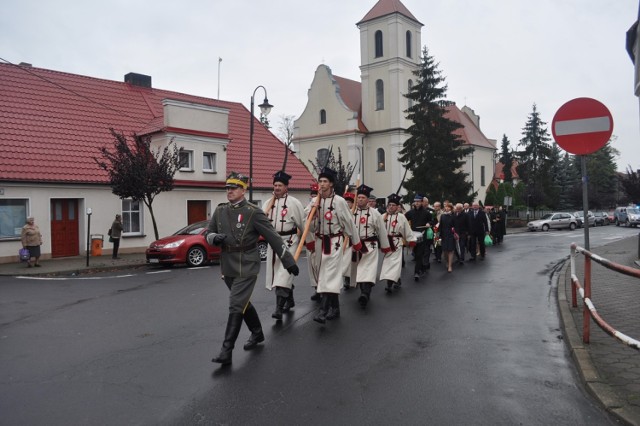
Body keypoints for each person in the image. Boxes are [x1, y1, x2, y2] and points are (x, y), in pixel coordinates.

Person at [207, 171, 299, 365]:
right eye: (228, 188)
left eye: (234, 188)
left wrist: (288, 261)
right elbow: (209, 231)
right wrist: (213, 238)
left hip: (247, 263)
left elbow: (273, 237)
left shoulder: (253, 212)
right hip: (228, 263)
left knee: (235, 304)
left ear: (243, 190)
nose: (229, 191)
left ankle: (226, 351)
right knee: (242, 302)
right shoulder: (220, 210)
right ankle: (257, 333)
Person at [305, 167, 361, 324]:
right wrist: (313, 216)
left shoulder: (340, 201)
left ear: (331, 184)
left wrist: (356, 242)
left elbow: (349, 222)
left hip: (334, 243)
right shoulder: (314, 201)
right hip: (319, 242)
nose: (321, 184)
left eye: (324, 182)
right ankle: (335, 309)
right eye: (320, 181)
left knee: (328, 276)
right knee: (323, 275)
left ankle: (322, 311)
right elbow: (307, 224)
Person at [263, 170, 305, 321]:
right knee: (279, 277)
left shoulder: (294, 203)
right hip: (274, 243)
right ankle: (290, 299)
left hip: (290, 242)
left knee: (284, 274)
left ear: (286, 187)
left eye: (280, 185)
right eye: (275, 185)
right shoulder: (268, 203)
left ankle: (278, 309)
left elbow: (303, 224)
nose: (277, 188)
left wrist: (309, 241)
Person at [352, 184, 391, 308]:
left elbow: (382, 231)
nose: (360, 200)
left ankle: (365, 293)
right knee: (358, 270)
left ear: (368, 200)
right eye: (359, 197)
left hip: (370, 246)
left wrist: (385, 246)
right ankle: (363, 291)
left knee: (367, 270)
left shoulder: (375, 214)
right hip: (356, 246)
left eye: (363, 198)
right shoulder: (351, 212)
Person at [380, 193, 416, 292]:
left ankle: (389, 283)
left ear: (397, 207)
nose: (391, 207)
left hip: (396, 243)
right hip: (386, 243)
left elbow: (406, 230)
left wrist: (411, 240)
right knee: (388, 264)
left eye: (393, 205)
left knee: (395, 263)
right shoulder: (383, 216)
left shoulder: (401, 217)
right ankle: (397, 279)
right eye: (389, 205)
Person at [405, 195, 433, 281]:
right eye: (415, 201)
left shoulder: (426, 212)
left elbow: (431, 220)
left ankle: (416, 272)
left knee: (420, 253)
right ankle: (422, 267)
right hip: (413, 235)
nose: (417, 203)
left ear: (421, 202)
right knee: (416, 253)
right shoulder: (410, 212)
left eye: (418, 201)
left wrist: (429, 223)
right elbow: (404, 219)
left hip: (422, 234)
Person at [341, 191, 356, 291]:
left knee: (353, 262)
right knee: (345, 262)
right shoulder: (341, 213)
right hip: (342, 241)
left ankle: (355, 279)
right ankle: (347, 279)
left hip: (353, 241)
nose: (347, 204)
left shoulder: (355, 213)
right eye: (345, 202)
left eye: (349, 203)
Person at [438, 203, 457, 272]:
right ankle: (447, 261)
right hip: (444, 235)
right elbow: (440, 226)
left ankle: (450, 266)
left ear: (451, 208)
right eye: (446, 207)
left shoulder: (453, 216)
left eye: (449, 207)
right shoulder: (442, 216)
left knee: (451, 250)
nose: (447, 208)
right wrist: (438, 235)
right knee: (445, 251)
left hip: (451, 234)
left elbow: (456, 225)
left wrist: (455, 232)